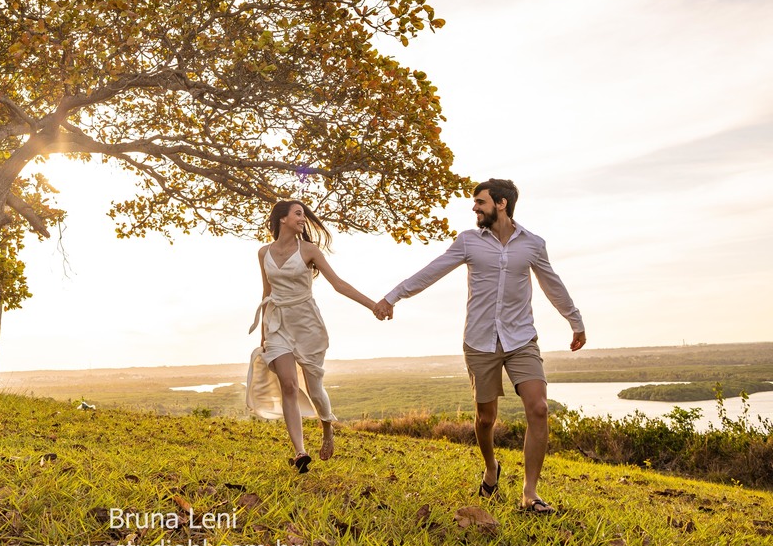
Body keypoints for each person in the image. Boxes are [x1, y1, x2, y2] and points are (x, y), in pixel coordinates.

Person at [374, 179, 585, 513]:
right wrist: (392, 296)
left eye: (480, 202)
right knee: (486, 419)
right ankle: (491, 468)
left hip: (521, 339)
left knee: (539, 408)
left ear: (501, 204)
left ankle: (530, 493)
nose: (475, 208)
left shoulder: (532, 244)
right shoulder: (469, 242)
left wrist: (575, 320)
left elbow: (552, 284)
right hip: (480, 341)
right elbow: (432, 271)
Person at [247, 199, 385, 473]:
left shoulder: (309, 250)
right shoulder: (263, 253)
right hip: (277, 325)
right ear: (282, 219)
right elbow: (266, 293)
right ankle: (300, 452)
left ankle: (327, 429)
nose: (303, 219)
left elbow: (338, 284)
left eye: (304, 215)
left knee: (314, 388)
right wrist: (264, 335)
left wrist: (373, 305)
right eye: (298, 214)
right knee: (288, 384)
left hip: (307, 324)